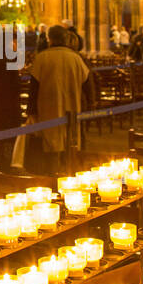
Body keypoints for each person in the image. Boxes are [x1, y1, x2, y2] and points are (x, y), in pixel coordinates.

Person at [26, 24, 92, 174]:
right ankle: (70, 177)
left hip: (49, 110)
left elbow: (33, 89)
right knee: (71, 146)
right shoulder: (76, 58)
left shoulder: (42, 58)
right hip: (73, 109)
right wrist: (89, 106)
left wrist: (31, 112)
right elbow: (87, 85)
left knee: (51, 148)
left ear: (50, 39)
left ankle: (52, 179)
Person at [0, 27, 24, 170]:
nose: (16, 45)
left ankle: (5, 167)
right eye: (15, 42)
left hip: (3, 105)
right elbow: (9, 87)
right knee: (7, 140)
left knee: (7, 140)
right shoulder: (7, 60)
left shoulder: (2, 59)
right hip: (7, 107)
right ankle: (4, 169)